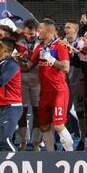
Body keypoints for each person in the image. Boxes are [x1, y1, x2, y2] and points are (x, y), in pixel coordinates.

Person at [27, 18, 74, 151]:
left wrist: (50, 58)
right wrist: (12, 59)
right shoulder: (39, 47)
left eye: (40, 29)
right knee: (44, 126)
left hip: (59, 91)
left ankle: (71, 155)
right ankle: (51, 155)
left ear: (49, 31)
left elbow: (65, 67)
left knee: (59, 125)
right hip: (45, 93)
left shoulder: (60, 46)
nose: (38, 31)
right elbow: (28, 66)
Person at [16, 19, 41, 151]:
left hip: (37, 80)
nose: (29, 36)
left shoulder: (41, 42)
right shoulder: (17, 39)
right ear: (24, 30)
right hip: (22, 80)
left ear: (36, 31)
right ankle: (23, 142)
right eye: (27, 33)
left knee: (37, 111)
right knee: (22, 111)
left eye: (32, 34)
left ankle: (36, 142)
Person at [63, 20, 86, 150]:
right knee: (64, 112)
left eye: (69, 27)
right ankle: (66, 141)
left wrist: (71, 51)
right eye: (65, 27)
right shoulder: (61, 42)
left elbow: (81, 59)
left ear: (76, 30)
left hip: (78, 81)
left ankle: (82, 139)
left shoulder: (81, 42)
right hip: (64, 82)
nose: (66, 29)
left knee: (80, 111)